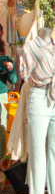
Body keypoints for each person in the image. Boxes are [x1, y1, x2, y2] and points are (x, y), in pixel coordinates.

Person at [0, 25, 18, 157]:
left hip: (1, 95)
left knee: (1, 128)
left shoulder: (5, 60)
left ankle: (1, 159)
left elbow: (13, 79)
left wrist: (11, 69)